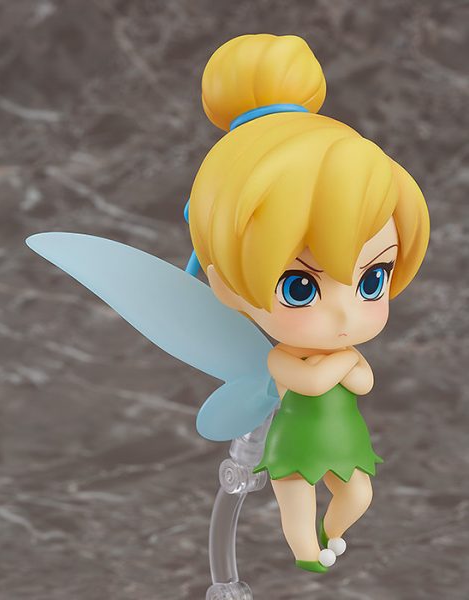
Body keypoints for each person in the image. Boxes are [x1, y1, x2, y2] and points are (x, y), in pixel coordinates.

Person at [188, 33, 430, 573]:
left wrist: (347, 367)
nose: (345, 314)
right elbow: (316, 381)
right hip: (295, 444)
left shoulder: (334, 351)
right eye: (300, 287)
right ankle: (307, 553)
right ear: (226, 286)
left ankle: (332, 533)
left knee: (358, 493)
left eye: (372, 280)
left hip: (343, 439)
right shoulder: (283, 359)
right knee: (296, 503)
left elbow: (363, 382)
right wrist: (345, 365)